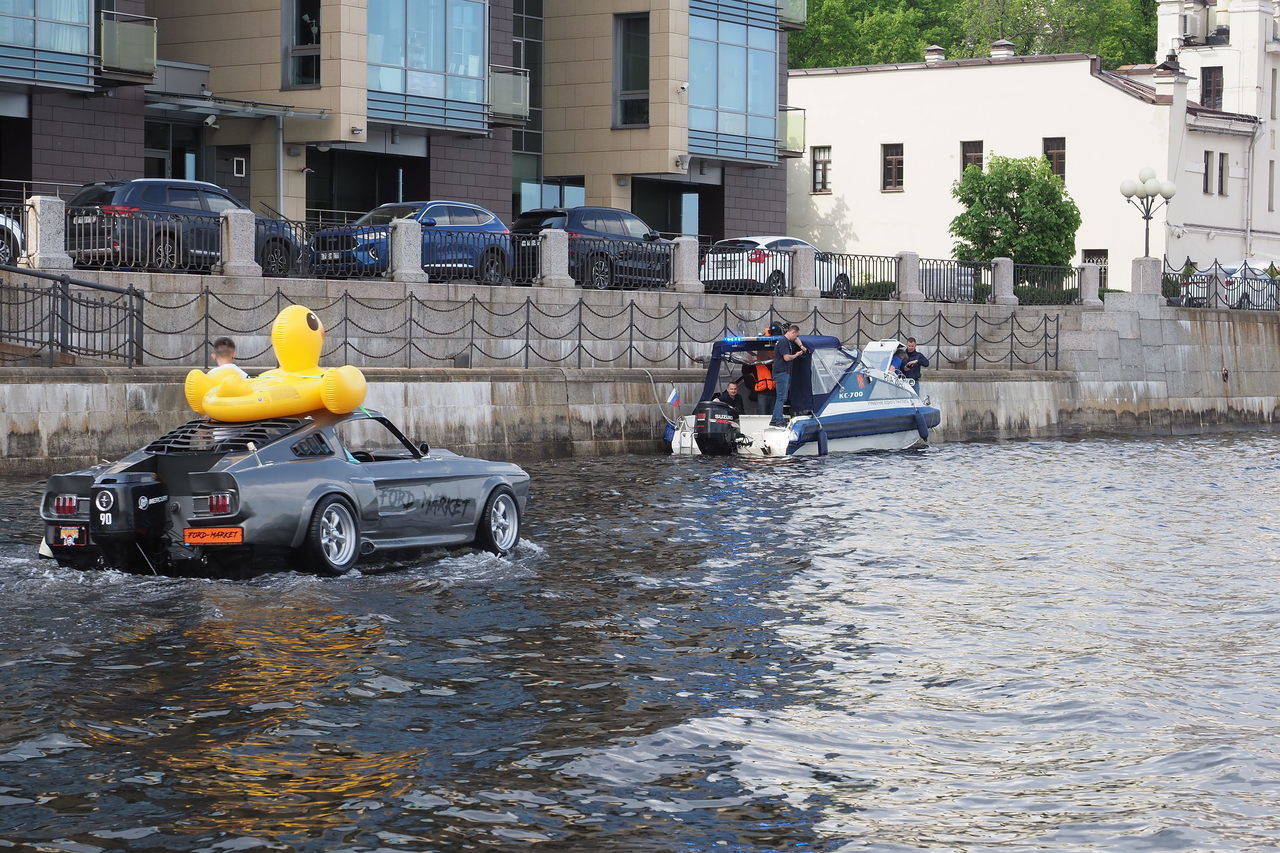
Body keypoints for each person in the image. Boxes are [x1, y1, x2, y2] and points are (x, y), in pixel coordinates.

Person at [769, 325, 808, 426]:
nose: (796, 338)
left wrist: (801, 346)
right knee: (781, 398)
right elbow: (786, 358)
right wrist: (797, 355)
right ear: (792, 332)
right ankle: (778, 420)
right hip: (782, 372)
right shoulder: (783, 342)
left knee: (781, 397)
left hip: (782, 372)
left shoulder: (786, 340)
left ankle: (774, 419)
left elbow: (797, 339)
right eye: (796, 335)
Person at [753, 350, 776, 415]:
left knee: (773, 415)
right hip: (762, 394)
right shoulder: (755, 365)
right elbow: (745, 371)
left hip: (774, 393)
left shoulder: (775, 364)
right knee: (762, 414)